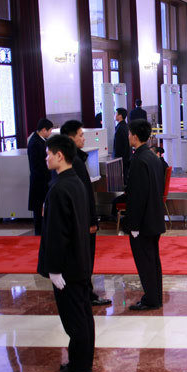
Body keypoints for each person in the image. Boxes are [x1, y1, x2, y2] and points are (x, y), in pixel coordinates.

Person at [37, 135, 94, 372]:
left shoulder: (60, 188)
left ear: (60, 155)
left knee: (74, 318)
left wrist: (55, 268)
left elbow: (58, 233)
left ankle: (79, 366)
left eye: (49, 153)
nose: (46, 157)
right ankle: (81, 361)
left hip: (67, 267)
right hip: (80, 261)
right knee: (83, 313)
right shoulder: (75, 182)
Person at [59, 120, 111, 307]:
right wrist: (90, 220)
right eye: (80, 135)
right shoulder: (72, 162)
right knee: (84, 258)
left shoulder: (77, 159)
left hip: (84, 219)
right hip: (81, 221)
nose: (83, 138)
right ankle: (85, 294)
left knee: (86, 258)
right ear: (69, 138)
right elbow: (83, 195)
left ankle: (85, 292)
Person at [124, 119, 166, 311]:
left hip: (143, 222)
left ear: (134, 135)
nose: (128, 136)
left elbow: (137, 196)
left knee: (146, 262)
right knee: (153, 261)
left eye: (129, 133)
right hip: (154, 217)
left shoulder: (139, 160)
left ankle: (152, 298)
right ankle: (154, 295)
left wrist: (133, 225)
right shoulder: (153, 157)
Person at [27, 118, 53, 236]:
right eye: (50, 130)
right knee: (39, 211)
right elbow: (37, 166)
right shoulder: (34, 143)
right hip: (39, 182)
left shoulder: (41, 140)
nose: (51, 132)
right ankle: (39, 235)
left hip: (44, 180)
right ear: (44, 130)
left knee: (44, 210)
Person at [113, 107, 132, 183]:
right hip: (127, 156)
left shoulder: (120, 128)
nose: (114, 115)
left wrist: (116, 158)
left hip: (122, 158)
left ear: (120, 116)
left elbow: (119, 146)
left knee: (123, 179)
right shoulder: (125, 126)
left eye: (116, 113)